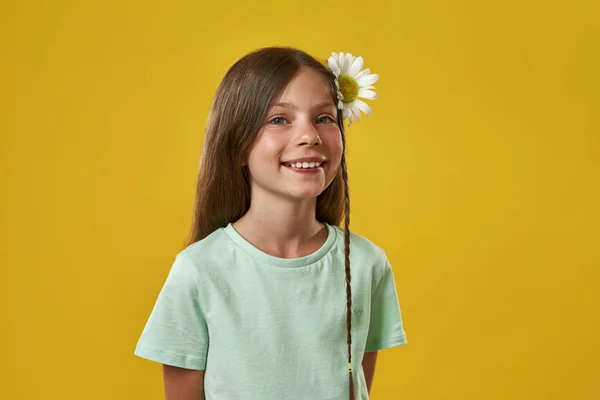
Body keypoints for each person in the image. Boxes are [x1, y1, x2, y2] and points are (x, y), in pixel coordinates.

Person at [134, 47, 407, 400]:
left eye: (325, 118)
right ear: (236, 141)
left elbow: (357, 387)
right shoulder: (199, 270)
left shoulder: (368, 264)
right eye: (279, 119)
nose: (309, 135)